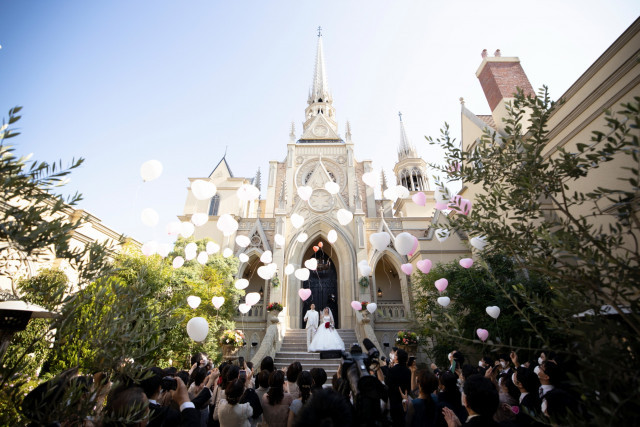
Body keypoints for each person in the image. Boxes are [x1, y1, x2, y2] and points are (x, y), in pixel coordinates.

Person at [386, 348, 411, 427]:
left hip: (394, 401)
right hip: (406, 400)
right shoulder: (408, 371)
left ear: (397, 358)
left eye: (395, 354)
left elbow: (388, 384)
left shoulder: (392, 370)